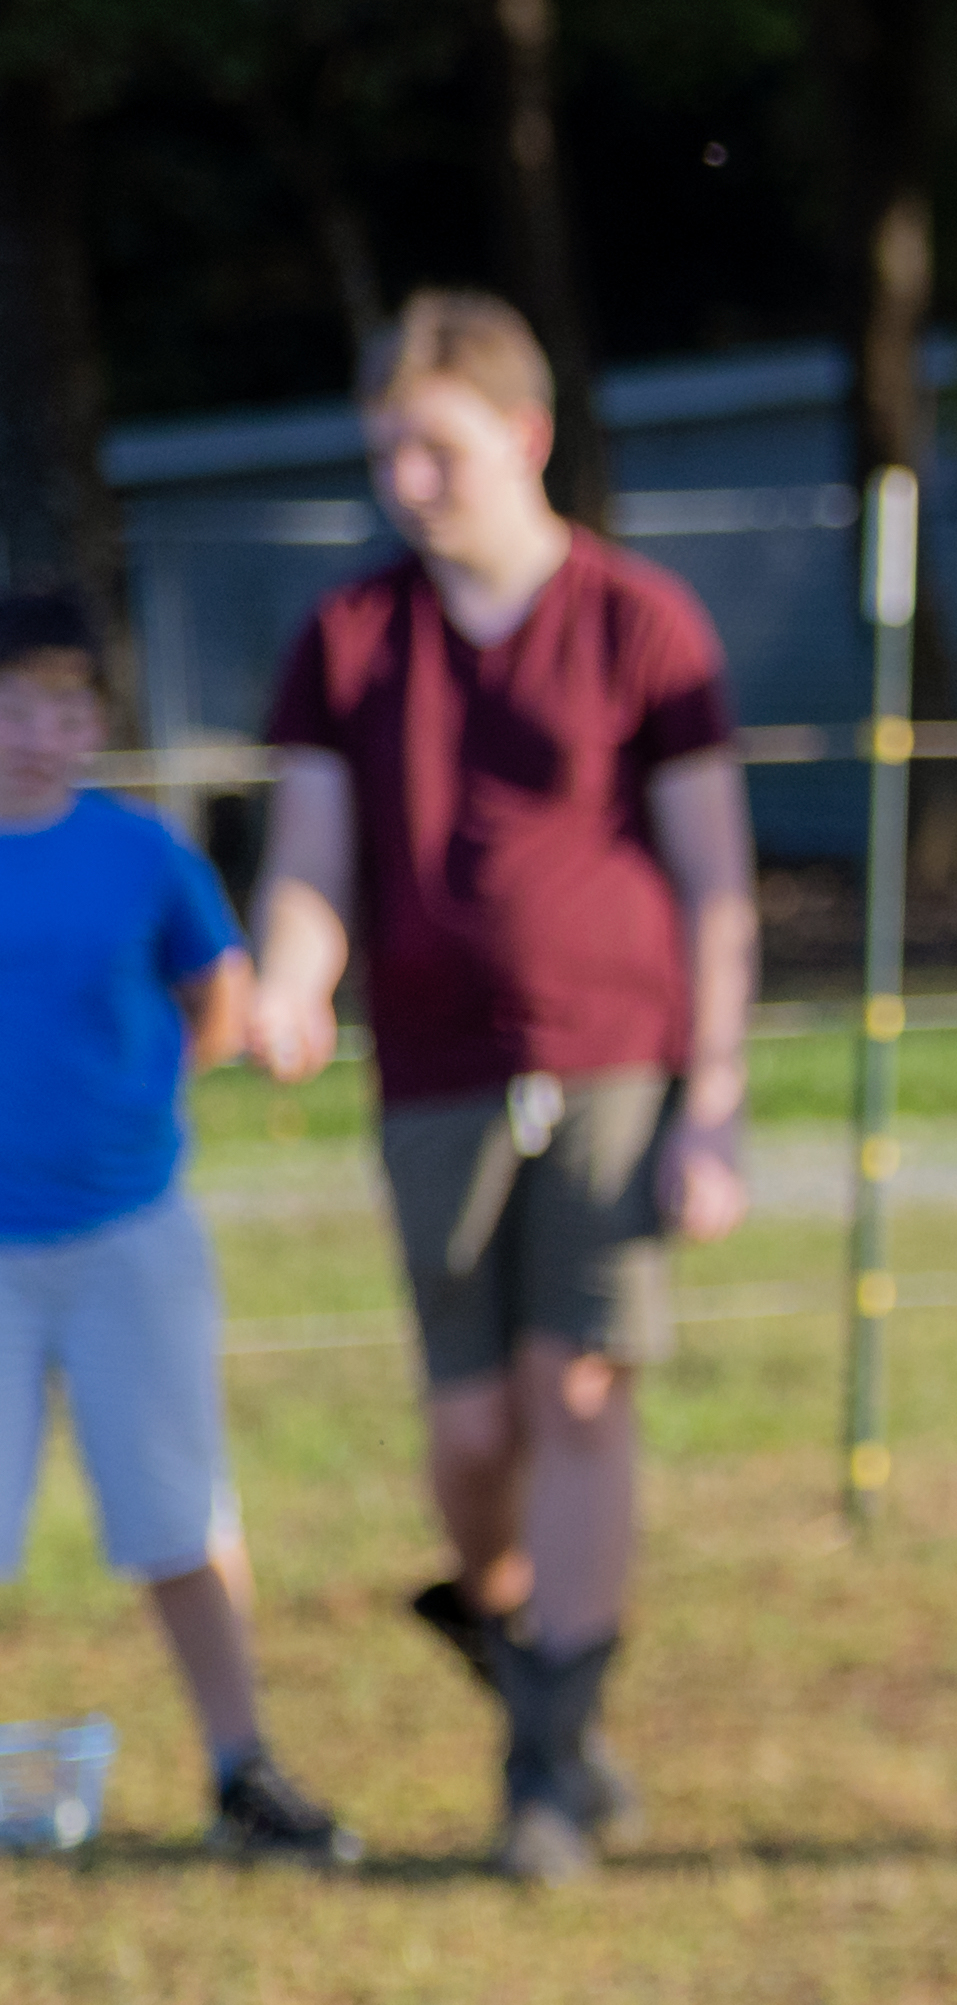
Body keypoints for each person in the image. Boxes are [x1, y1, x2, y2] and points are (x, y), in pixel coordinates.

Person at [244, 290, 751, 1885]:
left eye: (435, 444)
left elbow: (713, 872)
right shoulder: (348, 640)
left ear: (523, 437)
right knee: (471, 1434)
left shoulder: (638, 620)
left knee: (579, 1394)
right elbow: (312, 855)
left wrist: (716, 1096)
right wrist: (290, 971)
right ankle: (527, 1645)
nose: (406, 476)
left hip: (612, 1061)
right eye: (385, 447)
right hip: (437, 1077)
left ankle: (544, 1757)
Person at [0, 591, 356, 1866]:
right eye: (13, 703)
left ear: (95, 722)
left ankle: (239, 1766)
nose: (36, 732)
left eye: (63, 707)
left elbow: (219, 1000)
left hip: (128, 1239)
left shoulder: (145, 857)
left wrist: (143, 1108)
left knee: (177, 1515)